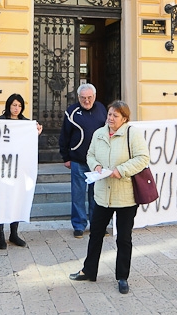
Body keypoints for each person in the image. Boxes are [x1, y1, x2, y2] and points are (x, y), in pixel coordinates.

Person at [68, 100, 148, 295]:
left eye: (115, 116)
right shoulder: (99, 133)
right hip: (103, 194)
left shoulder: (133, 134)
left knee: (124, 238)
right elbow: (90, 155)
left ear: (124, 118)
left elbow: (142, 158)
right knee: (95, 234)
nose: (110, 118)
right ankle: (89, 270)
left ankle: (122, 277)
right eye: (110, 114)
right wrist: (96, 166)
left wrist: (120, 170)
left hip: (125, 196)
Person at [0, 94, 42, 250]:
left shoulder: (26, 124)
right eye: (14, 105)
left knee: (17, 199)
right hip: (2, 168)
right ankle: (0, 234)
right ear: (8, 105)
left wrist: (36, 133)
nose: (16, 108)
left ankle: (14, 233)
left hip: (19, 169)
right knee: (1, 200)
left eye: (19, 106)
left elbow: (29, 145)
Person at [59, 83, 107, 238]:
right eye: (83, 98)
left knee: (96, 196)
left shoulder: (102, 109)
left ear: (95, 96)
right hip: (78, 161)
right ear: (78, 97)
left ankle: (97, 225)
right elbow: (64, 135)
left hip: (98, 163)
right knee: (78, 196)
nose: (86, 101)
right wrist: (66, 157)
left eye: (89, 97)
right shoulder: (71, 111)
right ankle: (79, 226)